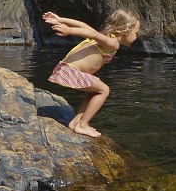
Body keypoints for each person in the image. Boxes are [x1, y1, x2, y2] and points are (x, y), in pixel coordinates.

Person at [43, 10, 140, 138]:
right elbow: (92, 32)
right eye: (136, 33)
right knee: (104, 90)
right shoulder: (113, 43)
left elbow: (84, 26)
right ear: (125, 31)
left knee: (95, 91)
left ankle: (75, 122)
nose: (136, 37)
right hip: (71, 72)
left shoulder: (105, 39)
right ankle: (83, 125)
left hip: (65, 69)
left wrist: (61, 19)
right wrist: (70, 31)